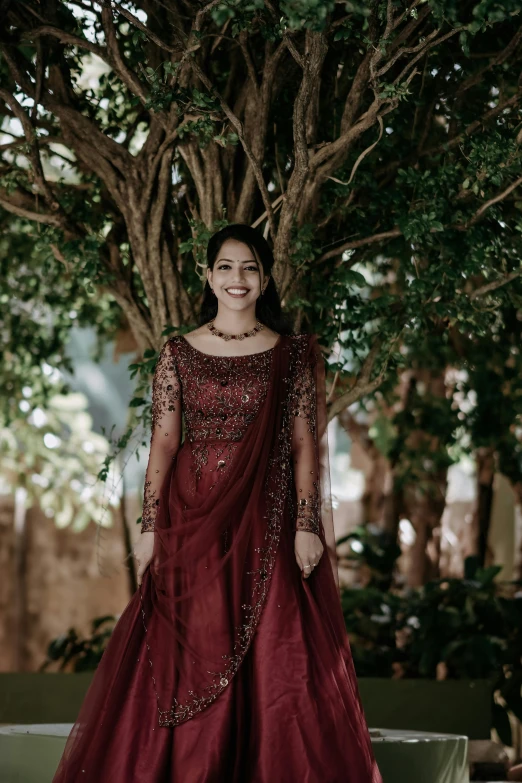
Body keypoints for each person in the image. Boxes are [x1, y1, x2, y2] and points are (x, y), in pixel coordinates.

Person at [52, 224, 382, 783]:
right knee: (191, 648)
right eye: (226, 267)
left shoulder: (291, 355)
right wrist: (151, 524)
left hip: (267, 521)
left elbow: (305, 445)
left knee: (280, 656)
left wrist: (308, 525)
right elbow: (163, 442)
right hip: (192, 523)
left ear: (267, 278)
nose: (237, 278)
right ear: (207, 275)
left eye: (250, 267)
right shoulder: (178, 352)